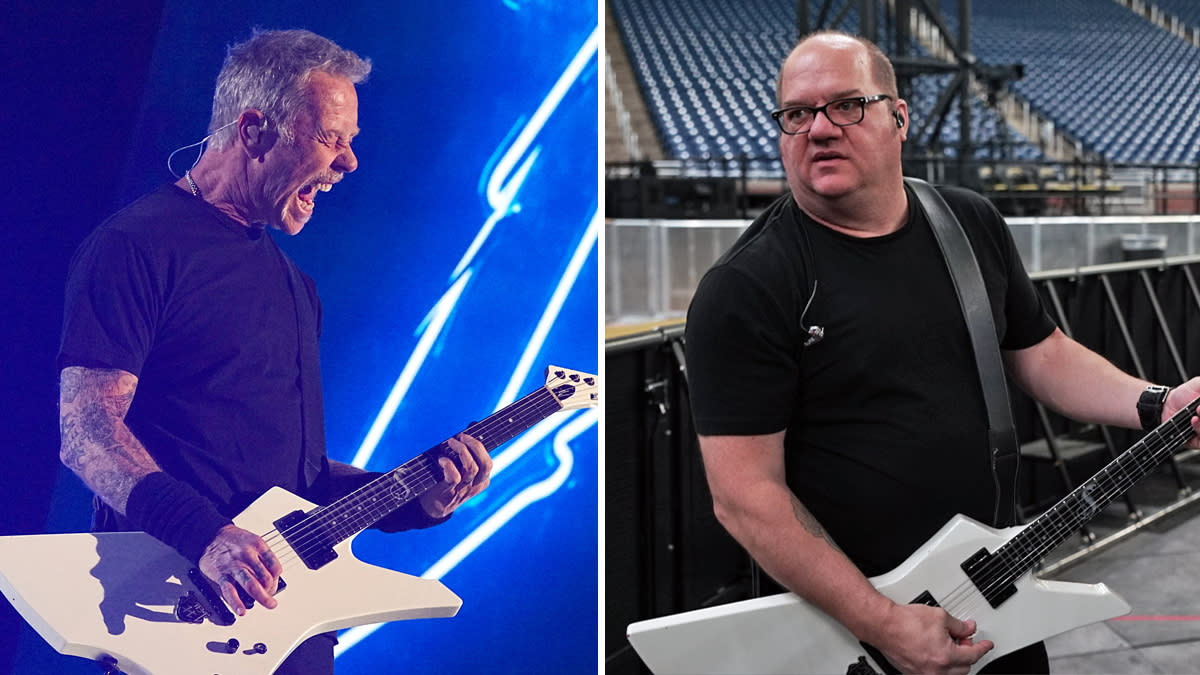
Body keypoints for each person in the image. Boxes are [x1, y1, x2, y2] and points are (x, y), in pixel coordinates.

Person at [684, 30, 1200, 675]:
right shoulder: (747, 288)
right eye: (797, 113)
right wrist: (885, 622)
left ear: (899, 118)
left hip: (993, 594)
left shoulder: (968, 223)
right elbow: (745, 497)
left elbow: (1039, 351)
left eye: (846, 105)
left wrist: (1157, 403)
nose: (818, 129)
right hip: (855, 638)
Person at [56, 29, 492, 675]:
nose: (348, 164)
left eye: (351, 143)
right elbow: (86, 430)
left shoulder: (296, 289)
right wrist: (207, 536)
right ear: (255, 128)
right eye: (331, 138)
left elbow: (302, 484)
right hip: (178, 621)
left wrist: (418, 498)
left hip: (290, 635)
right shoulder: (137, 245)